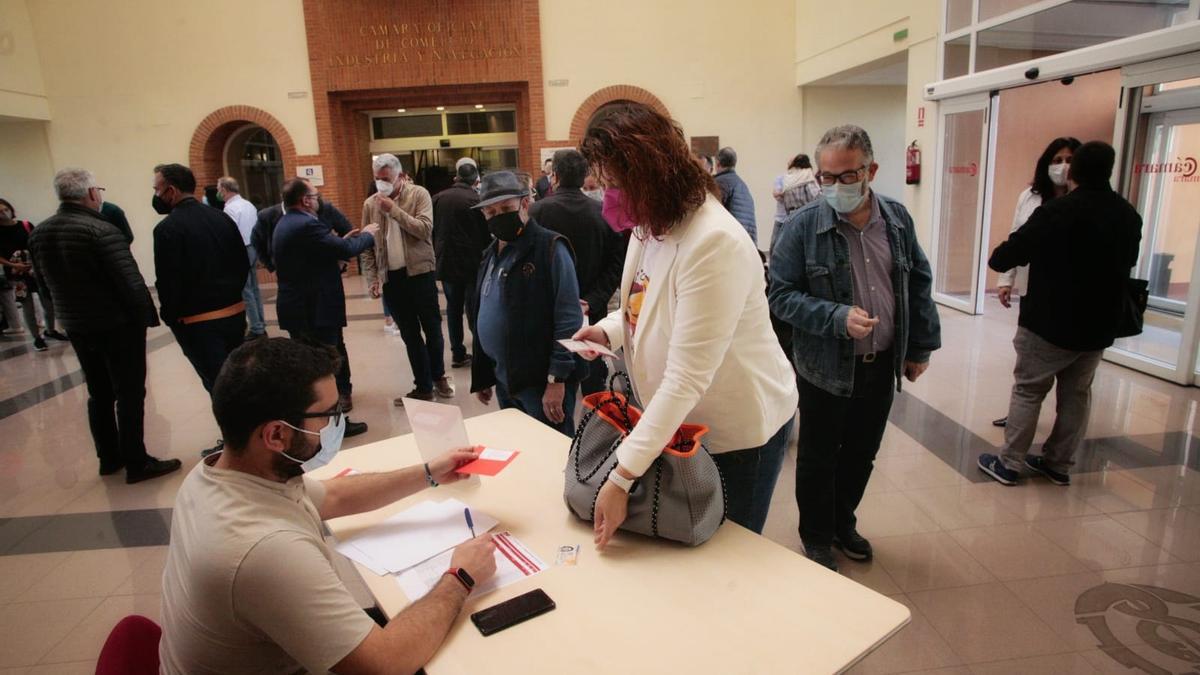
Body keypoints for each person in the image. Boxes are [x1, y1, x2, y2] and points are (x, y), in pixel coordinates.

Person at [159, 337, 498, 674]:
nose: (337, 423)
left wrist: (429, 473)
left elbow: (333, 496)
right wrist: (461, 576)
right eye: (328, 415)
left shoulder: (221, 473)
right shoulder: (264, 550)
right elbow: (386, 664)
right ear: (276, 435)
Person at [574, 102, 798, 542]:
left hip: (735, 432)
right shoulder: (653, 225)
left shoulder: (713, 242)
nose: (608, 197)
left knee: (726, 553)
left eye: (615, 185)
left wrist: (620, 478)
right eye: (604, 184)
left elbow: (686, 378)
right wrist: (610, 330)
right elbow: (645, 302)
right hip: (679, 421)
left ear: (650, 175)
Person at [769, 124, 941, 571]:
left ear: (871, 171)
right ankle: (817, 536)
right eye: (826, 177)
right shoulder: (804, 226)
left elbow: (918, 283)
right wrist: (835, 317)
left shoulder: (897, 220)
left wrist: (919, 346)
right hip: (825, 365)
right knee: (819, 456)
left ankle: (843, 521)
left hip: (879, 363)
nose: (836, 186)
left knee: (862, 452)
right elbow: (779, 295)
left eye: (847, 176)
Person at [979, 141, 1142, 487]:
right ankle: (1059, 464)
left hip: (1049, 322)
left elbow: (1004, 256)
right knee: (1077, 394)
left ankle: (1009, 463)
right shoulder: (1128, 215)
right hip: (1099, 325)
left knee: (1028, 390)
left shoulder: (1058, 212)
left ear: (1074, 172)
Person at [28, 168, 180, 483]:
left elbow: (43, 285)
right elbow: (130, 280)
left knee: (98, 392)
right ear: (91, 194)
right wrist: (148, 316)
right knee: (129, 392)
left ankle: (109, 457)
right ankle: (137, 462)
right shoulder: (100, 230)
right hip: (116, 325)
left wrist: (63, 314)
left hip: (78, 324)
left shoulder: (40, 233)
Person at [468, 170, 586, 435]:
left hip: (540, 380)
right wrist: (484, 373)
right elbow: (483, 312)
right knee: (522, 446)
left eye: (506, 208)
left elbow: (568, 319)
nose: (499, 217)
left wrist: (556, 379)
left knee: (552, 449)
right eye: (491, 212)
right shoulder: (490, 255)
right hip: (506, 377)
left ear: (525, 203)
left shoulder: (550, 247)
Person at [152, 163, 249, 455]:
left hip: (198, 320)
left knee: (217, 384)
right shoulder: (221, 218)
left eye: (157, 189)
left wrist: (171, 315)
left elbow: (169, 281)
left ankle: (236, 443)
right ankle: (243, 436)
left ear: (171, 189)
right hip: (234, 312)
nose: (156, 195)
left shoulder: (167, 229)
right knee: (236, 379)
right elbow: (241, 262)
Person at [274, 178, 376, 436]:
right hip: (313, 309)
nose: (318, 200)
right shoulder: (307, 224)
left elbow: (318, 254)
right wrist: (367, 235)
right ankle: (333, 425)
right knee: (322, 366)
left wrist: (339, 249)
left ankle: (325, 419)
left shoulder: (286, 222)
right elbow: (344, 247)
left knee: (317, 362)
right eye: (315, 196)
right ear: (305, 200)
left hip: (301, 306)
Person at [992, 137, 1081, 428]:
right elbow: (1017, 236)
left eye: (1069, 159)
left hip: (1074, 293)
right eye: (1057, 160)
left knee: (1074, 379)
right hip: (1036, 290)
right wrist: (1006, 279)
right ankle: (1021, 411)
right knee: (1027, 362)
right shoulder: (1030, 196)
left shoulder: (1086, 200)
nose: (1063, 166)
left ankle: (1043, 421)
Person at [529, 149, 625, 396]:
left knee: (556, 375)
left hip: (549, 308)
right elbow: (617, 264)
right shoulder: (603, 212)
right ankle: (595, 423)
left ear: (555, 176)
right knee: (593, 376)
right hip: (591, 308)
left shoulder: (536, 213)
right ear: (585, 177)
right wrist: (592, 300)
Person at [361, 154, 455, 405]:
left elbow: (424, 229)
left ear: (400, 177)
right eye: (377, 179)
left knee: (433, 329)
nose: (381, 184)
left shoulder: (419, 195)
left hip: (420, 273)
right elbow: (368, 245)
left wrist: (394, 210)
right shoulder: (370, 204)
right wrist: (373, 277)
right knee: (410, 335)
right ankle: (423, 386)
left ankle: (439, 376)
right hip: (392, 278)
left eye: (387, 179)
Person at [433, 161, 489, 369]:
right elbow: (486, 235)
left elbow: (432, 231)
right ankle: (481, 352)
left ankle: (457, 353)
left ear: (456, 178)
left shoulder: (438, 198)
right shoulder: (477, 200)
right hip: (472, 265)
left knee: (453, 310)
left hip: (447, 263)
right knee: (475, 310)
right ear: (476, 180)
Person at [0, 198, 66, 351]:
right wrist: (13, 265)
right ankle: (37, 338)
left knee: (48, 302)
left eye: (5, 210)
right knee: (27, 305)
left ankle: (51, 330)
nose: (4, 214)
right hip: (16, 273)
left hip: (36, 269)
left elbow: (37, 243)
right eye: (0, 212)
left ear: (11, 209)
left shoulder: (25, 225)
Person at [252, 190, 355, 273]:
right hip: (290, 274)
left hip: (324, 269)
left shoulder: (324, 208)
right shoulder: (267, 216)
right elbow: (256, 240)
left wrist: (342, 258)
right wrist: (272, 265)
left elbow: (348, 231)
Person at [217, 177, 267, 339]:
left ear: (224, 189)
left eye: (219, 189)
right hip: (253, 247)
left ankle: (256, 328)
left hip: (241, 250)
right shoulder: (248, 205)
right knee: (254, 289)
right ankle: (261, 322)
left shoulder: (230, 209)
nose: (218, 192)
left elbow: (230, 234)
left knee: (246, 291)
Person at [714, 146, 757, 244]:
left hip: (733, 240)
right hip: (748, 240)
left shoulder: (720, 182)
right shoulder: (742, 184)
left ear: (717, 164)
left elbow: (712, 213)